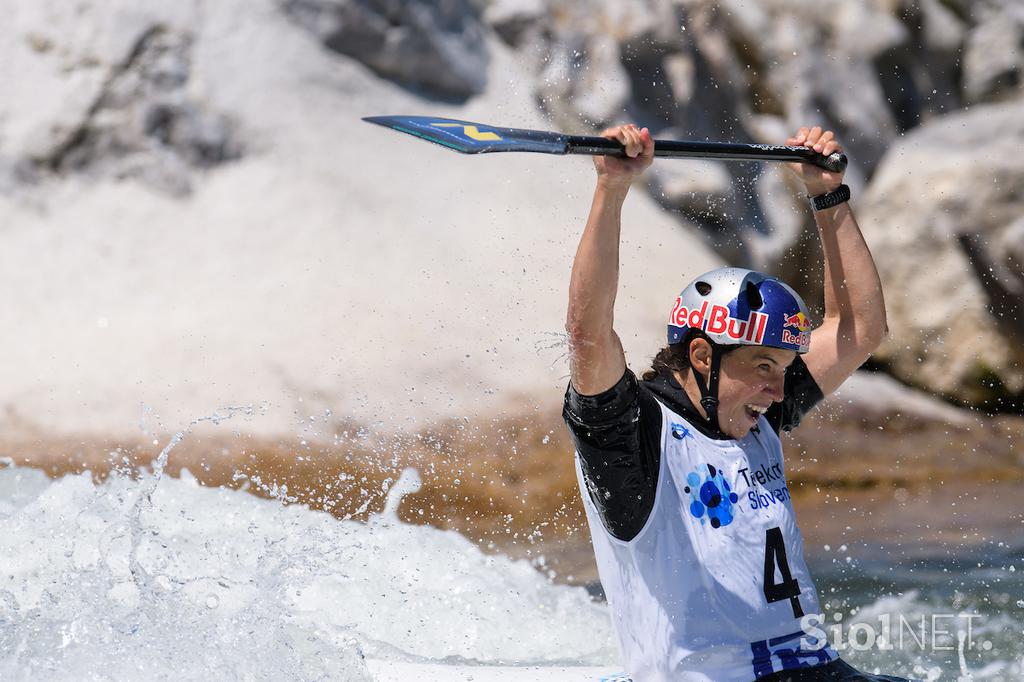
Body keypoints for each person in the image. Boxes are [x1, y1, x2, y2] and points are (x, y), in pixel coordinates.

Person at [563, 124, 911, 681]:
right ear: (702, 357)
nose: (778, 392)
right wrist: (612, 189)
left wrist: (828, 195)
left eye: (784, 370)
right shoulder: (631, 437)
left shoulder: (752, 412)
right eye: (764, 368)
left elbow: (858, 327)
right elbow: (588, 338)